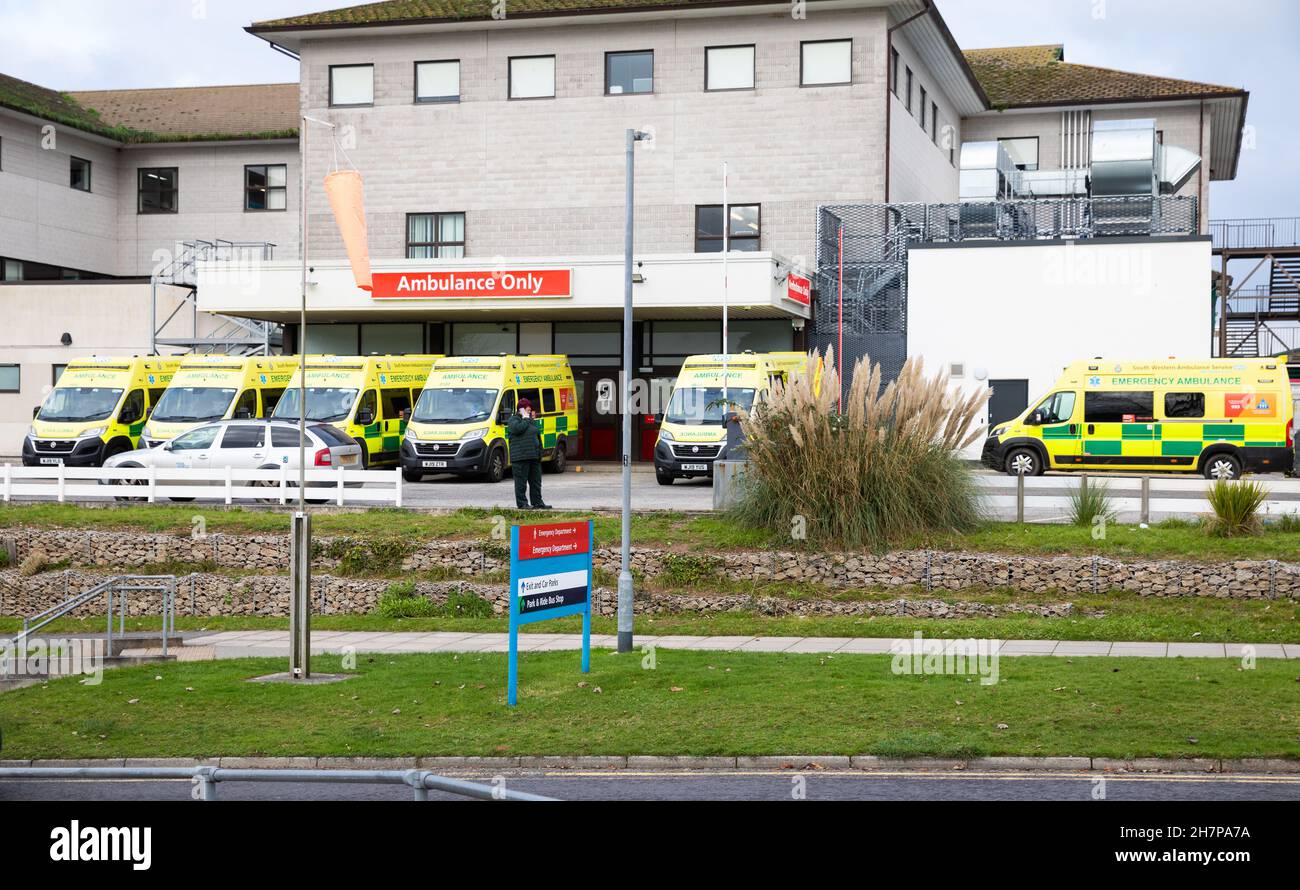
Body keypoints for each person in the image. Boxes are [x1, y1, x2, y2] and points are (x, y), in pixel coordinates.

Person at [506, 398, 550, 510]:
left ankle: (537, 502)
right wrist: (526, 419)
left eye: (530, 410)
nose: (530, 412)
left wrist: (540, 452)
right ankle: (522, 503)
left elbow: (537, 436)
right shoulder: (513, 420)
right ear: (521, 409)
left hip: (533, 457)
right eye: (528, 410)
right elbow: (517, 429)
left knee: (536, 482)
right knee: (521, 483)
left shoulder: (531, 421)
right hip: (520, 457)